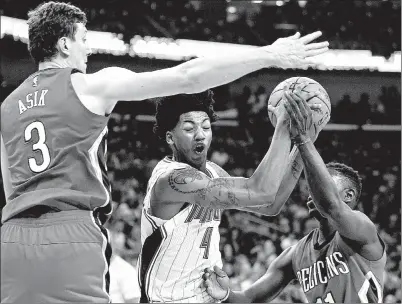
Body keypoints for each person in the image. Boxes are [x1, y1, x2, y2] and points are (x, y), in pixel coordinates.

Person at [0, 1, 329, 302]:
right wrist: (270, 55)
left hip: (12, 240)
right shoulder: (88, 85)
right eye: (83, 38)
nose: (88, 48)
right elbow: (188, 75)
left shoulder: (7, 108)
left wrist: (302, 143)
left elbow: (12, 190)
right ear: (64, 42)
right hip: (70, 233)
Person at [138, 87, 322, 303]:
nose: (200, 134)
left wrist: (303, 142)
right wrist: (283, 125)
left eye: (206, 127)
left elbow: (270, 204)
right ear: (170, 137)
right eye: (189, 129)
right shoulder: (173, 180)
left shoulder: (212, 172)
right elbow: (260, 192)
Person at [202, 91, 387, 303]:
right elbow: (249, 298)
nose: (311, 189)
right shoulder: (296, 254)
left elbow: (331, 206)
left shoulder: (363, 230)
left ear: (349, 195)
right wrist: (225, 294)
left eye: (321, 181)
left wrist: (303, 139)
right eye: (311, 184)